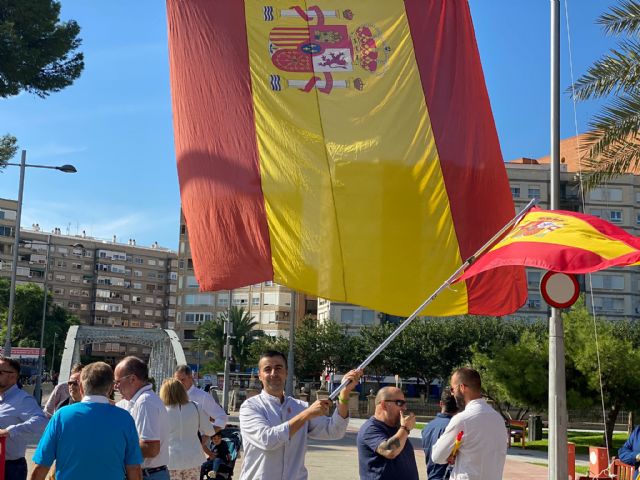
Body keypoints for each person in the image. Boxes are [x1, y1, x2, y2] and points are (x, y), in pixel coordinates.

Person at [239, 350, 363, 480]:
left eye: (278, 368)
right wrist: (306, 414)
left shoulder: (299, 407)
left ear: (286, 372)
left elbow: (335, 431)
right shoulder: (250, 407)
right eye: (267, 369)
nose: (273, 373)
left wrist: (344, 395)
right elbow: (267, 440)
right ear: (260, 375)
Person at [30, 362, 142, 480]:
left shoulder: (61, 416)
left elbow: (40, 467)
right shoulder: (125, 418)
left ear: (82, 387)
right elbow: (134, 468)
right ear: (110, 389)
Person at [432, 367, 508, 480]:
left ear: (462, 387)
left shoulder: (462, 419)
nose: (452, 394)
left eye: (452, 389)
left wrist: (452, 454)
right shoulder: (498, 419)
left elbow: (437, 456)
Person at [115, 356, 170, 480]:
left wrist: (115, 448)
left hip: (149, 475)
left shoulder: (145, 402)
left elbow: (150, 448)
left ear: (133, 379)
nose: (116, 387)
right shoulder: (139, 400)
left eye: (118, 382)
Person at [0, 357, 48, 480]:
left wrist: (10, 431)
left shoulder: (23, 400)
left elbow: (41, 421)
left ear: (13, 376)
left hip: (9, 468)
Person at [357, 386, 419, 480]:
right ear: (383, 405)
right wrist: (405, 428)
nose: (404, 408)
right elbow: (390, 451)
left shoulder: (397, 428)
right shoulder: (370, 429)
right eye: (399, 403)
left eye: (404, 403)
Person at [159, 378, 215, 480]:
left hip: (170, 459)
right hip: (193, 457)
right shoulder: (195, 406)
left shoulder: (162, 410)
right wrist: (202, 440)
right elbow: (210, 431)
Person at [174, 365, 227, 431]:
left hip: (197, 440)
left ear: (190, 377)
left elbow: (222, 417)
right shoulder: (172, 396)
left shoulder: (203, 396)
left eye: (182, 380)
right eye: (177, 381)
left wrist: (207, 435)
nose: (179, 383)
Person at [421, 389, 459, 480]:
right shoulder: (455, 427)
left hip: (431, 475)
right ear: (459, 406)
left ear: (441, 404)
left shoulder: (427, 427)